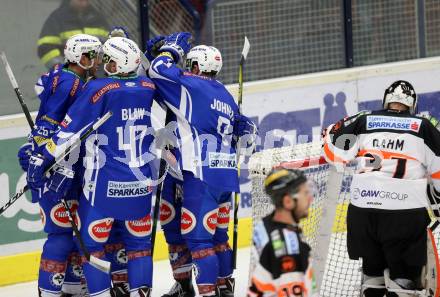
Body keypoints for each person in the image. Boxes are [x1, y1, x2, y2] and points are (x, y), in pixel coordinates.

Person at [27, 36, 157, 297]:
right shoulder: (148, 87)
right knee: (139, 246)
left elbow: (69, 131)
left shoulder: (97, 88)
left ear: (115, 63)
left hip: (104, 187)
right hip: (141, 184)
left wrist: (44, 157)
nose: (101, 62)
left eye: (106, 59)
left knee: (90, 246)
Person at [147, 32, 257, 297]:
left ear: (195, 66)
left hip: (199, 173)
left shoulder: (189, 85)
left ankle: (208, 292)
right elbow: (244, 132)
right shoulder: (226, 96)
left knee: (197, 239)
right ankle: (223, 287)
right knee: (217, 237)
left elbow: (157, 71)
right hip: (223, 176)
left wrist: (169, 50)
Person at [323, 80, 440, 296]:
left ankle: (372, 285)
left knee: (372, 277)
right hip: (404, 215)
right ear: (412, 105)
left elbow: (334, 152)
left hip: (363, 214)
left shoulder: (364, 119)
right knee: (404, 281)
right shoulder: (423, 125)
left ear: (386, 100)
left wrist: (330, 133)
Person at [17, 33, 102, 297]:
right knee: (62, 236)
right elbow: (52, 124)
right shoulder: (72, 84)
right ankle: (51, 291)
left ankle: (71, 288)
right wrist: (47, 159)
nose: (99, 61)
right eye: (95, 56)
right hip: (57, 164)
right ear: (83, 58)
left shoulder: (60, 74)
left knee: (69, 235)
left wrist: (36, 152)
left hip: (56, 161)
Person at [247, 168, 315, 297]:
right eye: (305, 193)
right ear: (288, 201)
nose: (310, 199)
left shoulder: (264, 224)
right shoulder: (288, 249)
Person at [37, 0, 108, 69]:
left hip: (97, 74)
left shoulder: (98, 18)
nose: (84, 3)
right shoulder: (57, 19)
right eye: (80, 0)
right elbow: (45, 48)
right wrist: (61, 68)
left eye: (86, 0)